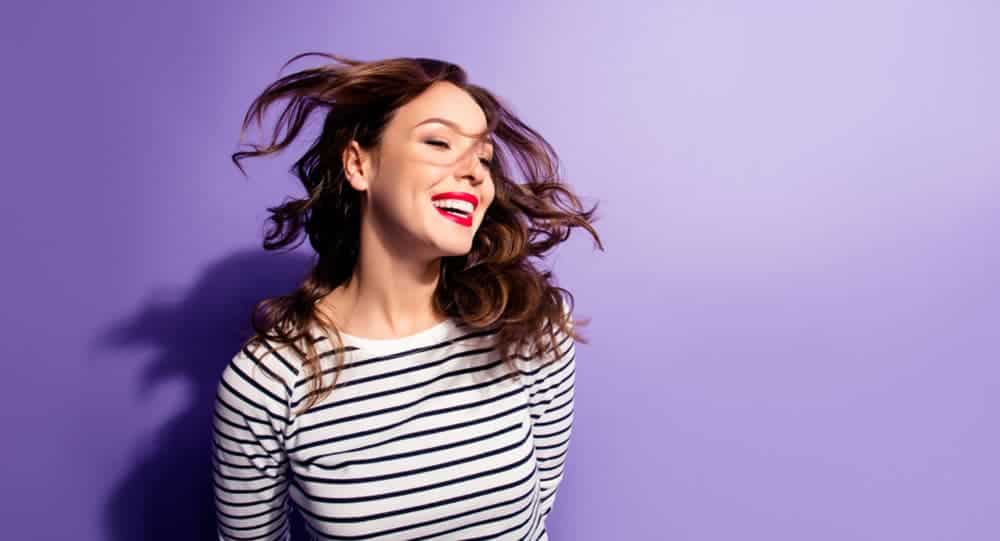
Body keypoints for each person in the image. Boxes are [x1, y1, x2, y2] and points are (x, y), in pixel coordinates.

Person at [211, 52, 603, 540]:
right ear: (358, 164)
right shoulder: (268, 381)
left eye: (483, 157)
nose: (475, 172)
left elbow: (533, 523)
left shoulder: (529, 327)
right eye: (439, 142)